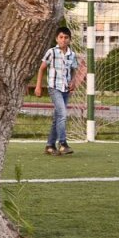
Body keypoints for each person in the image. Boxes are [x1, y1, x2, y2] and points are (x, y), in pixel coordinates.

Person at [34, 26, 87, 155]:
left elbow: (74, 69)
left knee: (57, 117)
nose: (63, 40)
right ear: (57, 39)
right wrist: (38, 86)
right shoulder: (51, 52)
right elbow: (42, 68)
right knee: (62, 114)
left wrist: (74, 82)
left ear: (69, 39)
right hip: (54, 88)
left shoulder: (72, 55)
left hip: (66, 90)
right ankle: (63, 143)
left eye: (66, 38)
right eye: (61, 37)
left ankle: (50, 145)